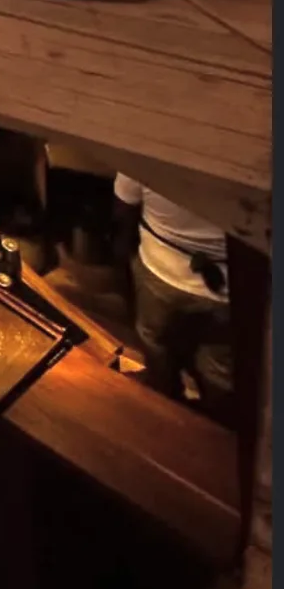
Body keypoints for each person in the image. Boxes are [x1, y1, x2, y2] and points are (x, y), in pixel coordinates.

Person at [113, 173, 233, 421]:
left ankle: (164, 404)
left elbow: (124, 206)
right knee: (218, 366)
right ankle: (216, 426)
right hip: (226, 287)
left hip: (161, 269)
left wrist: (123, 249)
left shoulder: (150, 148)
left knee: (156, 341)